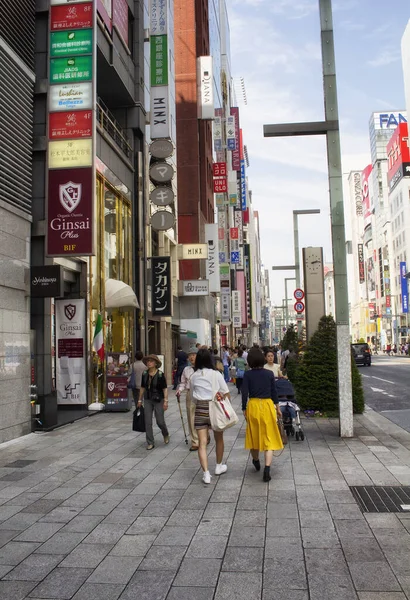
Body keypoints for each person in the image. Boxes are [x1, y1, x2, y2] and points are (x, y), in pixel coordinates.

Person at [242, 347, 283, 482]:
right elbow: (274, 392)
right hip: (267, 405)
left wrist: (244, 408)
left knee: (254, 436)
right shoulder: (269, 374)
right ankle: (267, 468)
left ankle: (255, 460)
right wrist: (277, 407)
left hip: (253, 406)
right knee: (269, 437)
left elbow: (244, 393)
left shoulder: (248, 375)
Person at [190, 348, 230, 484]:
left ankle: (206, 474)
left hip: (200, 408)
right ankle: (218, 466)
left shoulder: (194, 376)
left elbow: (192, 397)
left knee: (202, 443)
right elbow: (225, 391)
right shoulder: (216, 374)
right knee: (219, 438)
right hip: (214, 407)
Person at [138, 355, 169, 450]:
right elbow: (142, 387)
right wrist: (139, 400)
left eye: (151, 361)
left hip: (159, 400)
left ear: (155, 363)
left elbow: (165, 388)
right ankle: (150, 442)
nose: (149, 363)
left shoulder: (160, 374)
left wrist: (166, 401)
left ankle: (165, 433)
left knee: (160, 421)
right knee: (148, 421)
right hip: (147, 399)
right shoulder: (144, 374)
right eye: (148, 361)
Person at [176, 349, 199, 451]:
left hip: (201, 393)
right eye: (190, 355)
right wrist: (179, 390)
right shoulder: (186, 369)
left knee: (203, 416)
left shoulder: (203, 369)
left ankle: (205, 435)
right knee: (191, 417)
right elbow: (183, 383)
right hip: (190, 393)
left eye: (194, 355)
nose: (191, 357)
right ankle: (195, 441)